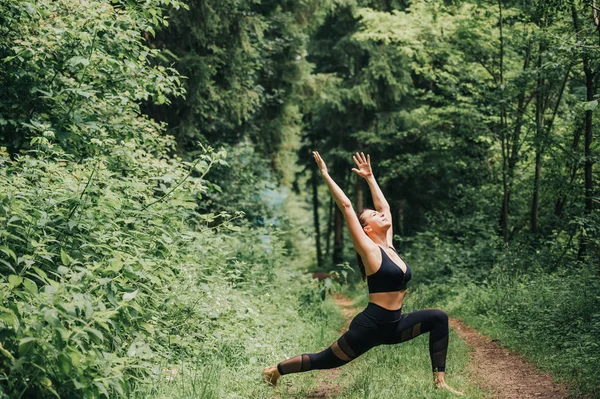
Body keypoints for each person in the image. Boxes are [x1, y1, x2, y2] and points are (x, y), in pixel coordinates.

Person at [262, 151, 464, 395]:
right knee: (325, 360)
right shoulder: (369, 250)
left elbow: (385, 206)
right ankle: (274, 371)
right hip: (370, 326)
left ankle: (440, 383)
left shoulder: (388, 245)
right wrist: (325, 174)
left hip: (395, 325)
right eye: (374, 216)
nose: (381, 214)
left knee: (438, 317)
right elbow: (346, 205)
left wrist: (370, 178)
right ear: (366, 228)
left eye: (378, 213)